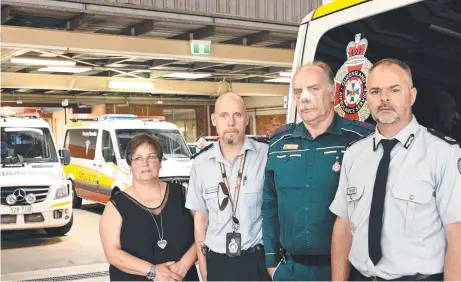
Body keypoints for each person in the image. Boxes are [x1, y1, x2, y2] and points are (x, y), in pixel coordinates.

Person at [330, 58, 461, 281]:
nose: (384, 99)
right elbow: (343, 227)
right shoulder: (354, 154)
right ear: (367, 99)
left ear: (412, 96)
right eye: (375, 91)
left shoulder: (444, 153)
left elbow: (457, 235)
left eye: (394, 90)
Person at [262, 61, 374, 281]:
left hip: (350, 271)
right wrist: (272, 264)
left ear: (332, 94)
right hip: (292, 271)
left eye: (313, 89)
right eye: (298, 92)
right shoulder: (279, 143)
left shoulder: (360, 139)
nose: (304, 98)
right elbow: (269, 204)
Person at [186, 92, 270, 281]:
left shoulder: (266, 155)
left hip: (258, 260)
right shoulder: (201, 164)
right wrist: (204, 267)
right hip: (218, 263)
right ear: (214, 120)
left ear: (247, 119)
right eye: (224, 116)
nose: (231, 123)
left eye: (237, 115)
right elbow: (200, 219)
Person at [99, 133, 199, 281]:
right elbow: (112, 254)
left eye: (151, 157)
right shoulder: (115, 206)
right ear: (130, 165)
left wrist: (183, 266)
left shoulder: (182, 194)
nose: (145, 164)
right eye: (138, 158)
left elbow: (203, 234)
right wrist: (153, 271)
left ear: (160, 161)